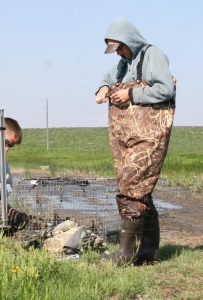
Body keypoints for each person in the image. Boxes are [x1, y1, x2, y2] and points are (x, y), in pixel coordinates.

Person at [95, 17, 176, 266]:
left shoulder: (155, 55)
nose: (118, 52)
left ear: (130, 40)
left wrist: (131, 93)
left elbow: (166, 89)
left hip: (149, 134)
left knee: (132, 185)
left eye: (120, 47)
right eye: (115, 49)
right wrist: (102, 87)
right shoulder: (123, 63)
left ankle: (126, 253)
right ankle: (148, 252)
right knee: (140, 190)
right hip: (126, 135)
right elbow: (107, 77)